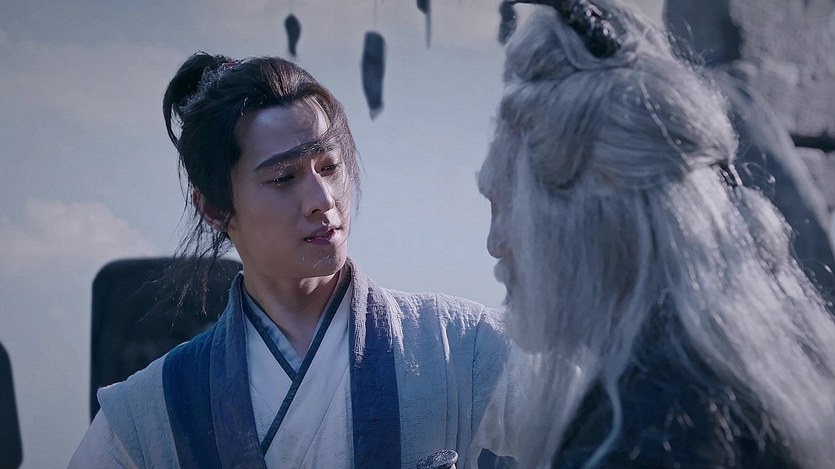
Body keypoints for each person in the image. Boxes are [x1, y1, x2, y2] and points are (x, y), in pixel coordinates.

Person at [70, 53, 508, 468]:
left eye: (329, 167)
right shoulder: (144, 415)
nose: (323, 200)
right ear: (215, 209)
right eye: (284, 178)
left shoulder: (462, 346)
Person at [473, 1, 835, 468]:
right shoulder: (748, 371)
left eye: (508, 207)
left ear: (589, 218)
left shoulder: (641, 437)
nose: (494, 243)